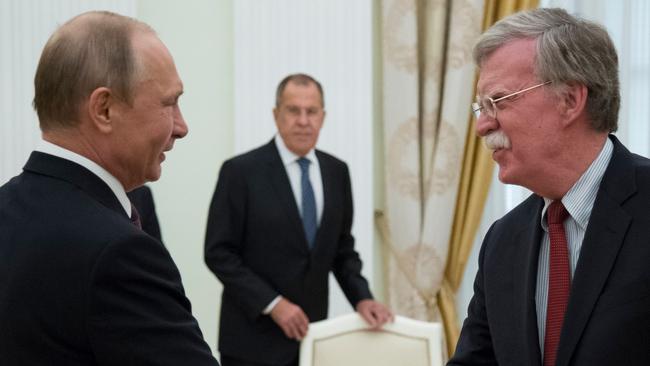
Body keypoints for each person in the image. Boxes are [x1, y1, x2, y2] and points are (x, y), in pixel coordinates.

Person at [0, 11, 219, 366]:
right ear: (104, 109)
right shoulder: (119, 253)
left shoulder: (7, 208)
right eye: (169, 103)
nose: (182, 127)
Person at [448, 7, 650, 366]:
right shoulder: (501, 241)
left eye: (499, 101)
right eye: (481, 107)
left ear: (570, 100)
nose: (482, 126)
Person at [205, 73, 393, 366]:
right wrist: (273, 304)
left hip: (311, 340)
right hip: (251, 344)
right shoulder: (240, 172)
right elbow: (219, 253)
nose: (303, 121)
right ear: (276, 114)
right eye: (293, 110)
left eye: (312, 111)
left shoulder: (336, 172)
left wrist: (362, 298)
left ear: (323, 116)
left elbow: (341, 249)